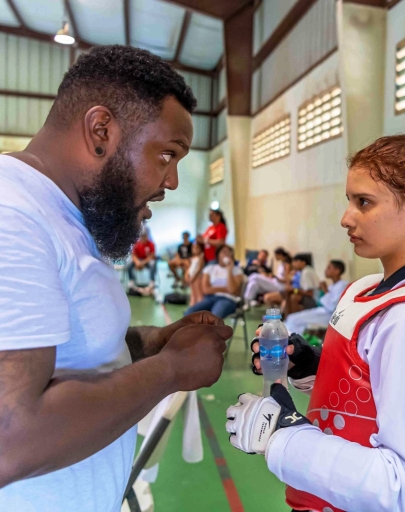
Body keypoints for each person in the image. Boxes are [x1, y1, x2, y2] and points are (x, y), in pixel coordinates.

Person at [0, 45, 231, 511]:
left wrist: (152, 344)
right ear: (100, 130)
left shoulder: (72, 215)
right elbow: (11, 439)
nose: (172, 182)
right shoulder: (13, 215)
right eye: (167, 154)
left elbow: (70, 353)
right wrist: (171, 370)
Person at [226, 134, 405, 511]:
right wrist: (312, 367)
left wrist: (285, 432)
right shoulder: (365, 291)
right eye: (349, 200)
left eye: (364, 202)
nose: (347, 218)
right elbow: (365, 401)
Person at [283, 260, 349, 335]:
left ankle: (293, 342)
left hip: (330, 316)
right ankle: (288, 338)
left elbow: (332, 307)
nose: (326, 270)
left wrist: (325, 290)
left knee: (294, 320)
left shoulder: (343, 285)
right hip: (322, 311)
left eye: (329, 268)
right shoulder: (332, 285)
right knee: (291, 317)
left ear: (337, 271)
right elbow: (320, 300)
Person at [185, 245, 244, 319]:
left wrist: (229, 270)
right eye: (224, 252)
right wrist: (226, 289)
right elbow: (206, 290)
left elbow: (232, 290)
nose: (227, 254)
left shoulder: (237, 271)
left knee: (213, 318)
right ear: (218, 254)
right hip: (210, 298)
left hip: (228, 300)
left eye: (229, 252)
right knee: (189, 313)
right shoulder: (210, 269)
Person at [127, 230, 157, 294]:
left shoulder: (151, 244)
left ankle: (152, 282)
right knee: (129, 264)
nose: (143, 237)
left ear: (147, 236)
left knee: (153, 264)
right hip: (139, 261)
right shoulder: (137, 244)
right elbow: (134, 255)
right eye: (142, 236)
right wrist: (137, 262)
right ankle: (131, 281)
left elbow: (152, 255)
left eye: (144, 236)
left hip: (146, 261)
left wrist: (143, 262)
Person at [185, 240, 206, 307]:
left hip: (197, 278)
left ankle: (201, 306)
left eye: (197, 248)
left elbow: (200, 268)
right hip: (192, 278)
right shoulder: (192, 258)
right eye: (193, 248)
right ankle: (192, 306)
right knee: (193, 293)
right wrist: (187, 276)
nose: (195, 249)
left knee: (199, 292)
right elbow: (189, 268)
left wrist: (194, 277)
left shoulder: (201, 257)